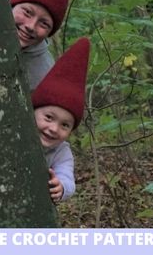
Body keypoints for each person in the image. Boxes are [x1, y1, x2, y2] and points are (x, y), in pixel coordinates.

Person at [10, 0, 84, 90]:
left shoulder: (45, 75)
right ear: (11, 5)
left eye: (44, 24)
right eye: (27, 12)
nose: (31, 26)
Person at [31, 37, 90, 202]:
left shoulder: (61, 152)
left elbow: (66, 175)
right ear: (33, 112)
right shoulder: (17, 132)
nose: (54, 129)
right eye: (49, 117)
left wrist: (61, 186)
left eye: (65, 125)